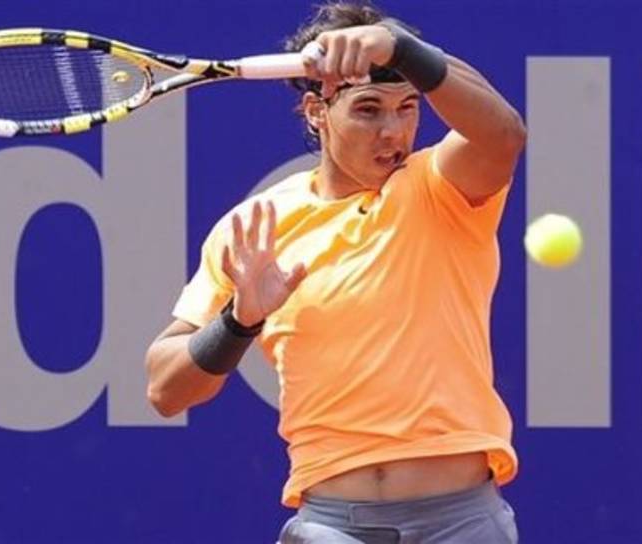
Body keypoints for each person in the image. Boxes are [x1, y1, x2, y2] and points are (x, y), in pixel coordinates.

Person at [145, 2, 525, 542]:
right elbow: (165, 389)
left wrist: (398, 47)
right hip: (331, 526)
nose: (393, 132)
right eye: (368, 109)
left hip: (461, 523)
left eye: (408, 108)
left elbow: (503, 134)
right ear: (316, 111)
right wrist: (238, 321)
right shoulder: (256, 227)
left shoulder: (440, 186)